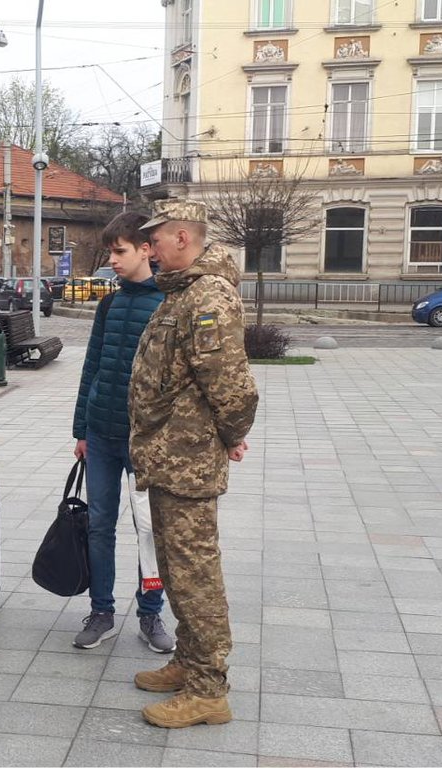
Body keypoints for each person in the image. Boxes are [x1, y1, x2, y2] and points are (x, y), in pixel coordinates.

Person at [129, 199, 258, 729]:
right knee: (177, 571)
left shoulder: (208, 297)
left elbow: (231, 385)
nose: (150, 248)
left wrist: (231, 435)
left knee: (195, 575)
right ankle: (188, 660)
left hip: (188, 461)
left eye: (155, 239)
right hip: (168, 457)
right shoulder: (181, 293)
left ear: (182, 237)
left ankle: (208, 689)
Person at [71, 211, 174, 653]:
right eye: (110, 252)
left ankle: (151, 613)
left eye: (119, 251)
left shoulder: (168, 304)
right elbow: (91, 365)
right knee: (99, 525)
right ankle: (102, 611)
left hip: (145, 441)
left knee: (149, 528)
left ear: (146, 250)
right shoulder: (108, 305)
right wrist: (81, 429)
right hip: (101, 434)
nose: (111, 260)